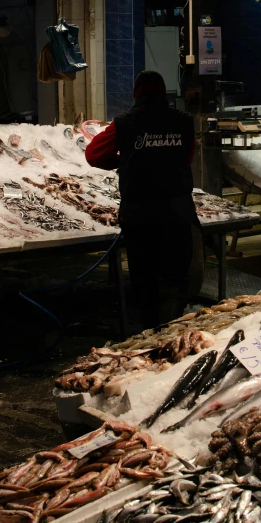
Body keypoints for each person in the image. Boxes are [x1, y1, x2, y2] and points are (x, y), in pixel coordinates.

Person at [85, 70, 198, 329]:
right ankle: (175, 331)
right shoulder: (184, 121)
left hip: (141, 215)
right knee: (175, 276)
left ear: (136, 93)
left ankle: (148, 333)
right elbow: (187, 157)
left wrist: (125, 159)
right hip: (178, 213)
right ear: (163, 92)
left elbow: (93, 154)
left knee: (144, 277)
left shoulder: (125, 122)